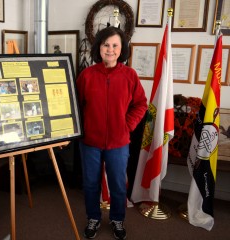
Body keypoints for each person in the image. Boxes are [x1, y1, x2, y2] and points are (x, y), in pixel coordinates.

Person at [76, 26, 147, 240]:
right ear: (99, 47)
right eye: (106, 45)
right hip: (90, 141)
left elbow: (141, 105)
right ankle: (93, 218)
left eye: (115, 45)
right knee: (90, 183)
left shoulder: (130, 75)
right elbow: (76, 106)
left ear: (122, 49)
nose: (110, 49)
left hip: (119, 142)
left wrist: (127, 126)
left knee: (117, 183)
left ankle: (117, 219)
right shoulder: (87, 75)